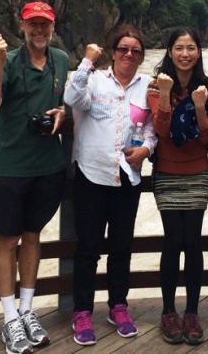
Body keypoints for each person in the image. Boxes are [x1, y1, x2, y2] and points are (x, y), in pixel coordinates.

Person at [0, 1, 69, 354]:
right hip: (12, 165)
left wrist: (62, 112)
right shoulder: (10, 60)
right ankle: (9, 319)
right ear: (22, 26)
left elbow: (67, 102)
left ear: (52, 26)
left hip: (49, 164)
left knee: (33, 235)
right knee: (8, 239)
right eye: (33, 24)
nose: (39, 30)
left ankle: (27, 310)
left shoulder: (61, 60)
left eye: (44, 25)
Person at [64, 24, 156, 346]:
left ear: (142, 56)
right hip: (92, 175)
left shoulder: (149, 87)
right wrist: (87, 61)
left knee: (121, 247)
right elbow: (71, 97)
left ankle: (118, 306)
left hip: (128, 177)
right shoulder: (94, 80)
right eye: (123, 49)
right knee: (88, 248)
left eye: (135, 51)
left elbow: (150, 128)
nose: (129, 55)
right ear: (112, 51)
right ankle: (82, 312)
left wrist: (147, 149)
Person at [146, 28, 208, 345]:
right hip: (166, 171)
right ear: (170, 51)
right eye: (179, 48)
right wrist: (164, 94)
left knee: (192, 241)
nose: (185, 54)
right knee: (172, 240)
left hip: (196, 172)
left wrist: (200, 106)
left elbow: (207, 136)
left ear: (199, 52)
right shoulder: (155, 85)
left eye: (191, 48)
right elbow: (162, 131)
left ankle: (191, 311)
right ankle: (168, 311)